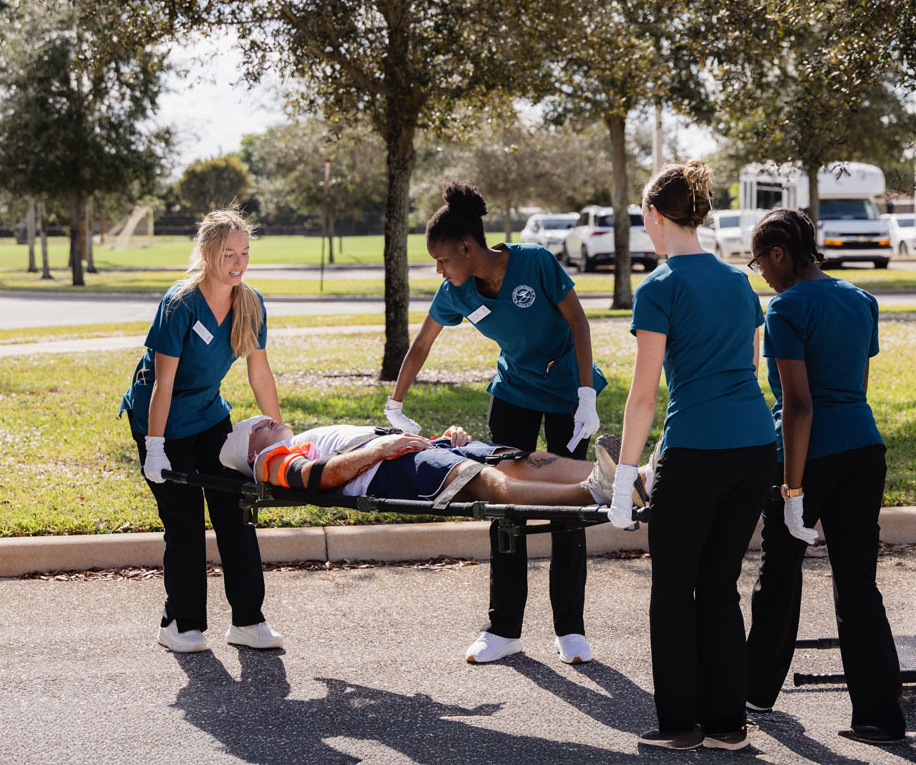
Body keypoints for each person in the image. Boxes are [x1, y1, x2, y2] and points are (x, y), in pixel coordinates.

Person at [386, 181, 607, 666]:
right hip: (512, 395)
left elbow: (578, 323)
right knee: (504, 501)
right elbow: (422, 344)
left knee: (571, 502)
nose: (438, 270)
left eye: (442, 260)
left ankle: (570, 628)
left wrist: (586, 396)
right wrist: (394, 402)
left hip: (569, 393)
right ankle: (504, 629)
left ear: (467, 247)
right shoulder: (456, 292)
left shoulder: (534, 263)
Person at [604, 161, 776, 751]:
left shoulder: (659, 286)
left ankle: (680, 725)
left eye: (644, 219)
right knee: (720, 585)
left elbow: (645, 394)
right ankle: (729, 725)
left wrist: (625, 479)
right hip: (755, 448)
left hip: (697, 453)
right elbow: (746, 370)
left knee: (675, 590)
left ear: (654, 215)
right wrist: (659, 452)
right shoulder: (738, 283)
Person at [743, 209, 906, 746]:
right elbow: (854, 387)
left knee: (780, 574)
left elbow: (799, 405)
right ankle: (879, 717)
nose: (761, 273)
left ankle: (756, 693)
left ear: (780, 253)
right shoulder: (862, 299)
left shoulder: (787, 306)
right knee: (858, 582)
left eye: (760, 260)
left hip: (808, 454)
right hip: (865, 446)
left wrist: (792, 489)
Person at [119, 208, 285, 654]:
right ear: (208, 252)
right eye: (228, 253)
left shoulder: (250, 302)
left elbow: (260, 374)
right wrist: (155, 448)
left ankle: (249, 620)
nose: (238, 262)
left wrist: (282, 433)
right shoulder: (180, 303)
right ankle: (180, 623)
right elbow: (162, 382)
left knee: (234, 512)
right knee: (186, 521)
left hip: (210, 416)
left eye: (244, 252)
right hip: (163, 421)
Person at [218, 416, 649, 507]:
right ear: (251, 452)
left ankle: (636, 476)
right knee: (478, 479)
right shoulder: (268, 463)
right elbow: (319, 478)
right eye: (257, 426)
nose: (267, 420)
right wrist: (379, 452)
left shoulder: (290, 441)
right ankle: (592, 492)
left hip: (409, 450)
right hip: (383, 471)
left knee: (516, 458)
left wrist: (438, 441)